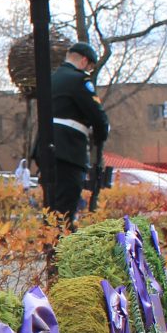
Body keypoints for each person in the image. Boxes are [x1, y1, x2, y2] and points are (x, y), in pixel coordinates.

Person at [42, 40, 109, 222]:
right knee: (66, 206)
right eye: (89, 67)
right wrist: (102, 135)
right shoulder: (80, 80)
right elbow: (97, 116)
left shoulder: (50, 79)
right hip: (68, 150)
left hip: (44, 147)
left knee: (50, 203)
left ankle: (49, 242)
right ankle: (60, 245)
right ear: (84, 61)